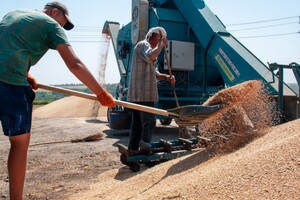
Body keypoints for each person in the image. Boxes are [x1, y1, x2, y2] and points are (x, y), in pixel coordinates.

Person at [0, 1, 115, 199]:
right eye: (63, 22)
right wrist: (101, 94)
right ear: (54, 12)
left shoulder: (14, 13)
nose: (62, 27)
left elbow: (8, 45)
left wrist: (25, 74)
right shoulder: (51, 24)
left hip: (10, 76)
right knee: (19, 142)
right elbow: (75, 64)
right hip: (10, 84)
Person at [127, 27, 175, 152]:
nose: (158, 42)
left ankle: (133, 150)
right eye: (158, 39)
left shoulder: (150, 49)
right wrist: (160, 46)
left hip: (142, 94)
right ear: (152, 36)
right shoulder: (143, 45)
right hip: (143, 94)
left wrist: (166, 77)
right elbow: (151, 57)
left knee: (137, 125)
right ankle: (145, 150)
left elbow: (155, 73)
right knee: (149, 122)